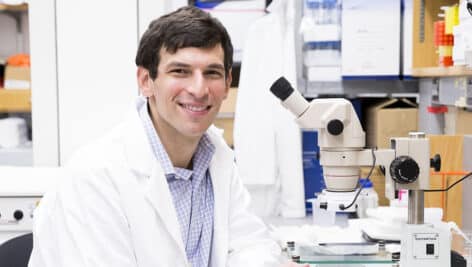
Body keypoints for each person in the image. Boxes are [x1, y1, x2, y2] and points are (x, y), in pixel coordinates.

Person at [28, 6, 308, 267]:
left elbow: (250, 245)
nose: (199, 90)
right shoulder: (94, 178)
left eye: (212, 73)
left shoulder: (216, 158)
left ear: (226, 85)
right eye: (180, 71)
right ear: (146, 81)